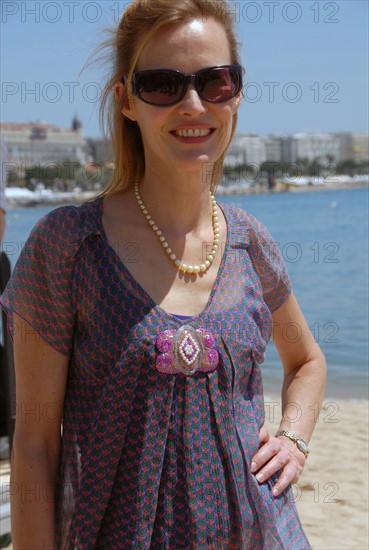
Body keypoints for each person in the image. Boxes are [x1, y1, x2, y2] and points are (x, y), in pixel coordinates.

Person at [0, 1, 326, 548]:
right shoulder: (68, 246)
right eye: (162, 84)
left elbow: (309, 361)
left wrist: (293, 438)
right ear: (127, 100)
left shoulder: (251, 243)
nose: (193, 104)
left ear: (236, 93)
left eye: (215, 81)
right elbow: (35, 443)